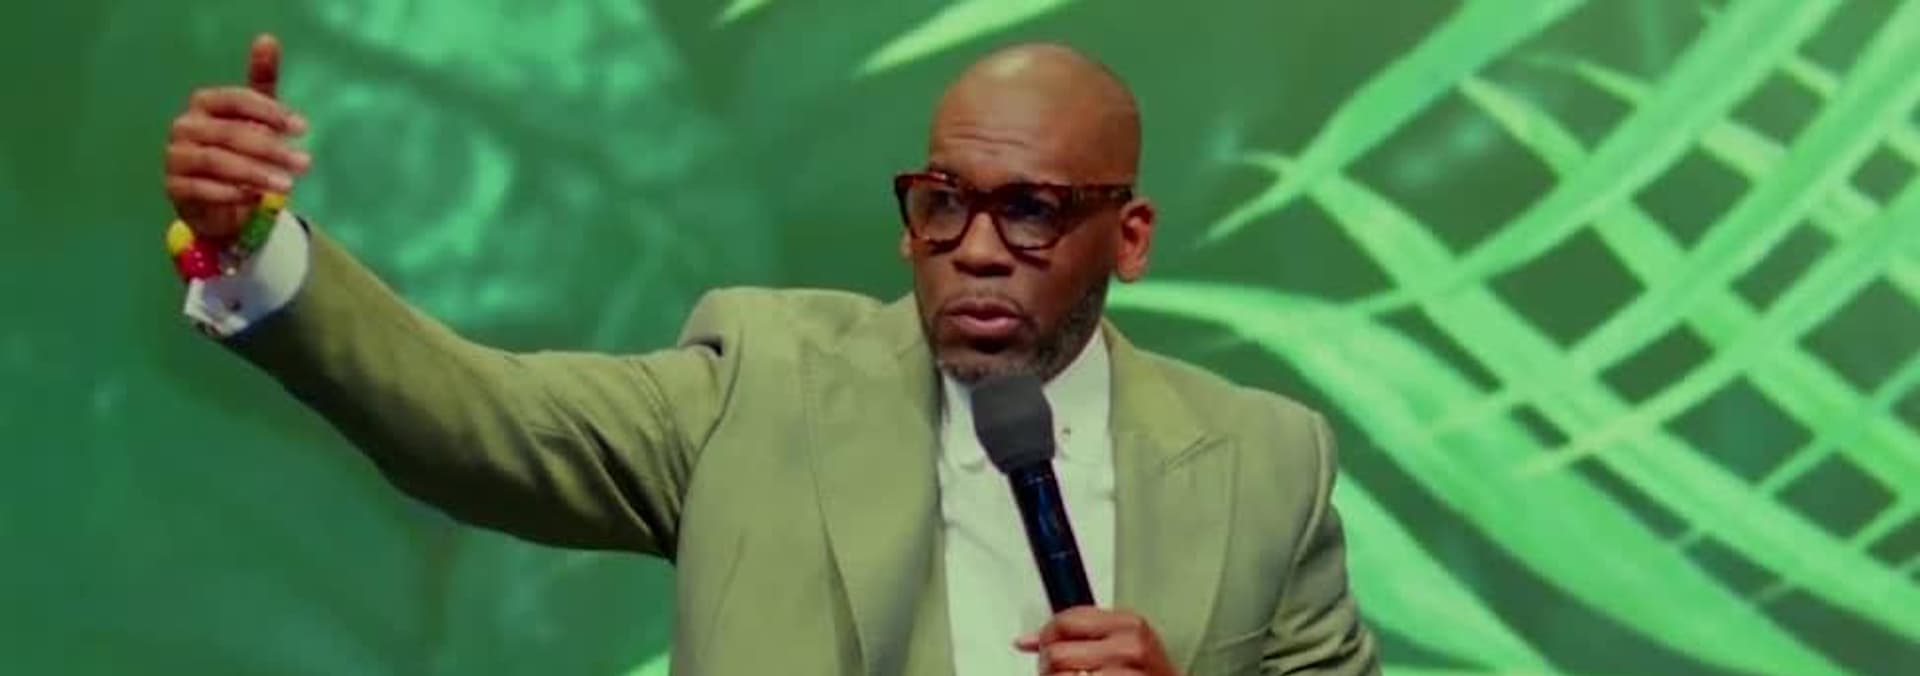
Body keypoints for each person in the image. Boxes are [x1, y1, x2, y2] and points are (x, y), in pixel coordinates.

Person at [161, 33, 1379, 676]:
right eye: (943, 204)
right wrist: (255, 249)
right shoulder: (763, 380)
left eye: (1032, 212)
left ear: (1132, 236)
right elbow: (475, 417)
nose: (976, 250)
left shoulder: (1267, 463)